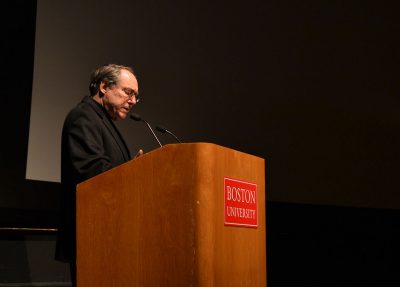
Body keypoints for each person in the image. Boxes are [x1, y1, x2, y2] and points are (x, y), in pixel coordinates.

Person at [55, 64, 142, 286]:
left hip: (110, 233)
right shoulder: (83, 117)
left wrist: (136, 170)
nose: (132, 101)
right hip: (92, 234)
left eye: (136, 96)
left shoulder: (102, 120)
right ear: (104, 86)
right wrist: (133, 173)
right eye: (128, 92)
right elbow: (92, 173)